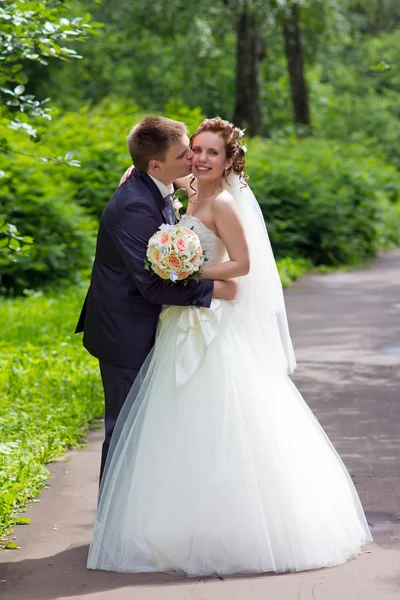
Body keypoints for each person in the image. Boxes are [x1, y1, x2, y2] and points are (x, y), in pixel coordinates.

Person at [87, 117, 372, 576]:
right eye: (193, 150)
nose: (197, 159)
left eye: (209, 152)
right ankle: (127, 523)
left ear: (228, 160)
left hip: (203, 322)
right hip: (163, 324)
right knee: (151, 427)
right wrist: (138, 175)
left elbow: (241, 265)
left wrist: (191, 273)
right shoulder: (176, 190)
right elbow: (164, 179)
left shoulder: (218, 201)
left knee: (213, 421)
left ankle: (214, 523)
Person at [75, 116, 236, 480]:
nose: (194, 160)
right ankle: (110, 529)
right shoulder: (136, 205)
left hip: (151, 325)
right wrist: (215, 290)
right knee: (125, 430)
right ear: (156, 164)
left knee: (149, 429)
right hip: (124, 332)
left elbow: (185, 179)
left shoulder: (158, 184)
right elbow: (152, 285)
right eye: (186, 154)